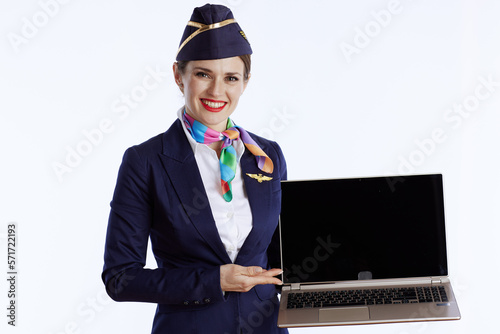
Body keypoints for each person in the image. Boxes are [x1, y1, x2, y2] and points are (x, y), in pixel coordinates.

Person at [102, 4, 289, 333]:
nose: (217, 91)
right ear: (179, 75)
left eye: (231, 77)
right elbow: (120, 278)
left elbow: (284, 262)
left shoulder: (267, 155)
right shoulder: (145, 162)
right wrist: (213, 280)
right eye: (203, 74)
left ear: (245, 81)